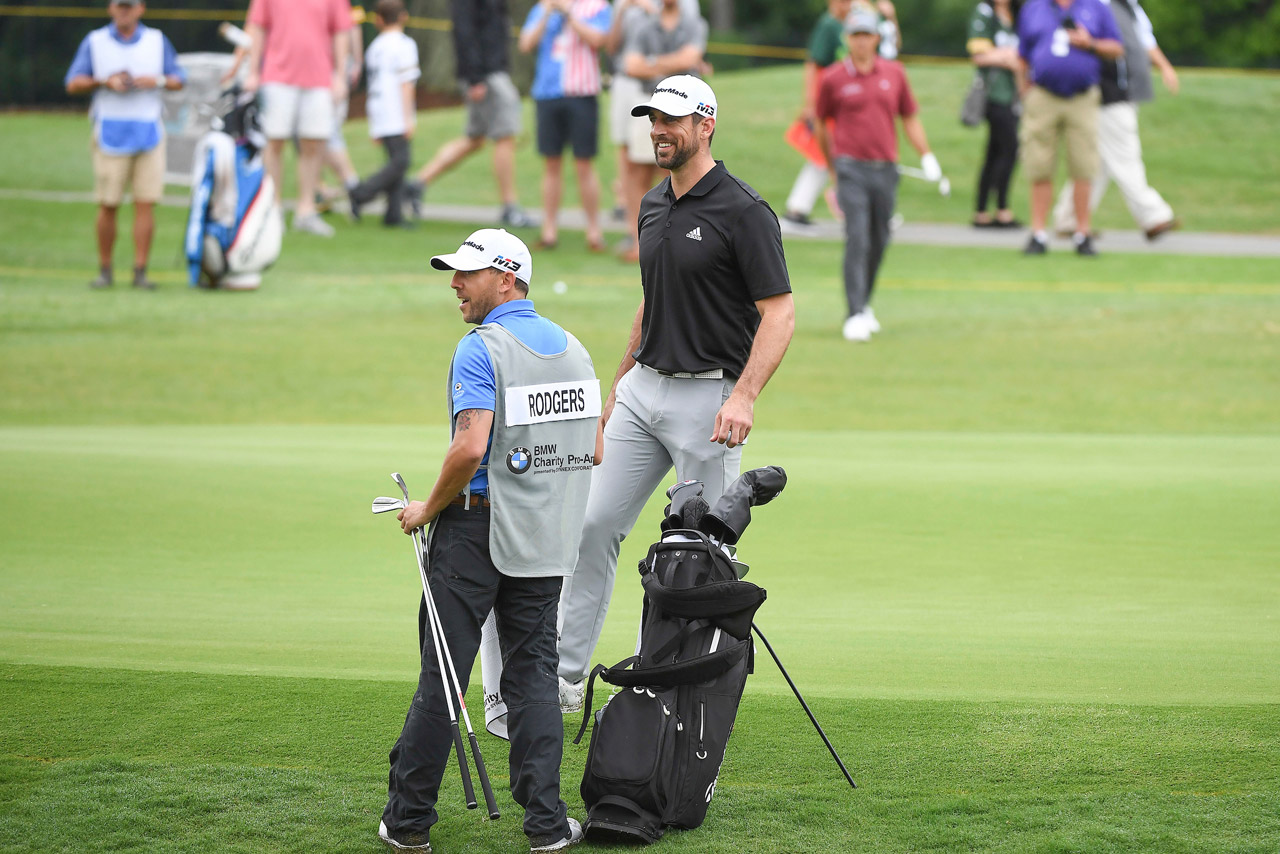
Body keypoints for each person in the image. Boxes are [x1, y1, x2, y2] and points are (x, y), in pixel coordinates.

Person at [556, 76, 795, 712]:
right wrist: (618, 386)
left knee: (701, 559)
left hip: (707, 402)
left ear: (705, 124)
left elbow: (780, 313)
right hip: (643, 391)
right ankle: (564, 681)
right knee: (591, 527)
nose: (660, 130)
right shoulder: (652, 204)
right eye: (653, 119)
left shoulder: (744, 210)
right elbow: (651, 297)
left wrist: (743, 396)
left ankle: (678, 694)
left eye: (673, 120)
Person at [380, 228, 603, 853]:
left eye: (467, 274)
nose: (455, 283)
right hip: (542, 535)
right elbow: (594, 448)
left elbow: (471, 445)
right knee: (532, 676)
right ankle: (548, 828)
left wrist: (426, 507)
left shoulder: (479, 349)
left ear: (507, 279)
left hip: (472, 530)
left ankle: (408, 824)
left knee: (443, 677)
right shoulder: (576, 352)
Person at [815, 9, 942, 343]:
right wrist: (832, 167)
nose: (861, 41)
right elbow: (821, 123)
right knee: (857, 237)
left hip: (886, 168)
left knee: (879, 239)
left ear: (876, 38)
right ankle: (854, 311)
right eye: (855, 35)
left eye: (866, 35)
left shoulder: (895, 73)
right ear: (847, 38)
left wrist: (926, 155)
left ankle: (864, 303)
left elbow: (909, 117)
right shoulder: (833, 78)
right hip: (850, 167)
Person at [64, 0, 185, 291]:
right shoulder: (95, 41)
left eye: (129, 6)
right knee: (108, 204)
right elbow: (73, 83)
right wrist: (105, 82)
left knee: (146, 204)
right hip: (110, 130)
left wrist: (152, 80)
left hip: (148, 130)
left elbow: (179, 79)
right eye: (120, 6)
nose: (124, 11)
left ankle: (140, 271)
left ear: (141, 9)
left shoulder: (157, 40)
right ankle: (105, 270)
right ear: (111, 8)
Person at [1050, 0, 1179, 240]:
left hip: (1126, 92)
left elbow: (1145, 40)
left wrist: (1165, 67)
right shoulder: (1094, 7)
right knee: (1125, 156)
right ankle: (1154, 216)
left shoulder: (1128, 6)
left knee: (1097, 163)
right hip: (1108, 94)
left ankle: (1068, 219)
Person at [403, 0, 534, 229]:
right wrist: (475, 78)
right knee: (505, 135)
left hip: (491, 71)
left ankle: (417, 184)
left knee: (475, 140)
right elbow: (463, 30)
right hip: (486, 74)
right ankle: (510, 207)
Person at [1016, 0, 1123, 256]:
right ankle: (1038, 233)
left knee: (1083, 166)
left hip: (1082, 97)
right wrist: (1024, 91)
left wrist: (1091, 43)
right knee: (1039, 164)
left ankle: (1082, 233)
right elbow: (1022, 55)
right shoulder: (1033, 7)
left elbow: (1117, 48)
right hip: (1043, 95)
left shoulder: (1096, 7)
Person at [243, 0, 353, 238]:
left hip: (319, 77)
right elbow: (257, 28)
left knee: (314, 144)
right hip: (277, 76)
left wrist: (340, 76)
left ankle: (306, 211)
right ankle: (272, 210)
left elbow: (341, 32)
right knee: (274, 142)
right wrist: (253, 71)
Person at [617, 0, 708, 263]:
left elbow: (691, 58)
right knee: (637, 174)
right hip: (649, 104)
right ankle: (639, 241)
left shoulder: (694, 23)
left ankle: (673, 240)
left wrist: (652, 62)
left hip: (683, 113)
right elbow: (630, 65)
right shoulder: (644, 24)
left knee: (672, 174)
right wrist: (673, 63)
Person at [518, 0, 613, 251]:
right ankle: (549, 230)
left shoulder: (596, 6)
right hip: (547, 93)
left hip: (582, 92)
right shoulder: (543, 7)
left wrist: (569, 13)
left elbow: (599, 40)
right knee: (551, 163)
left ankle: (594, 230)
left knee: (584, 163)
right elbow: (526, 44)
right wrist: (548, 12)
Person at [348, 0, 419, 228]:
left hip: (379, 109)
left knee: (396, 161)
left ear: (378, 19)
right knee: (401, 161)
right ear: (403, 17)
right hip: (396, 110)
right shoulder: (404, 44)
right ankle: (360, 193)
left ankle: (393, 215)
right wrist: (409, 117)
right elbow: (406, 83)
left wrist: (374, 122)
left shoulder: (375, 47)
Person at [782, 0, 853, 227]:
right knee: (824, 154)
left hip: (842, 104)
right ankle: (800, 207)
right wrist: (811, 103)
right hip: (827, 102)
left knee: (829, 155)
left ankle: (800, 206)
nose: (847, 5)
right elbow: (814, 65)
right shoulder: (829, 25)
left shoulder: (848, 25)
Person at [968, 0, 1023, 228]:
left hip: (1014, 95)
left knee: (994, 152)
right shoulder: (985, 13)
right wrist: (1007, 57)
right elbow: (978, 53)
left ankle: (981, 210)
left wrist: (1007, 56)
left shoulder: (1017, 14)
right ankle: (1002, 208)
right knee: (1010, 150)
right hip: (994, 94)